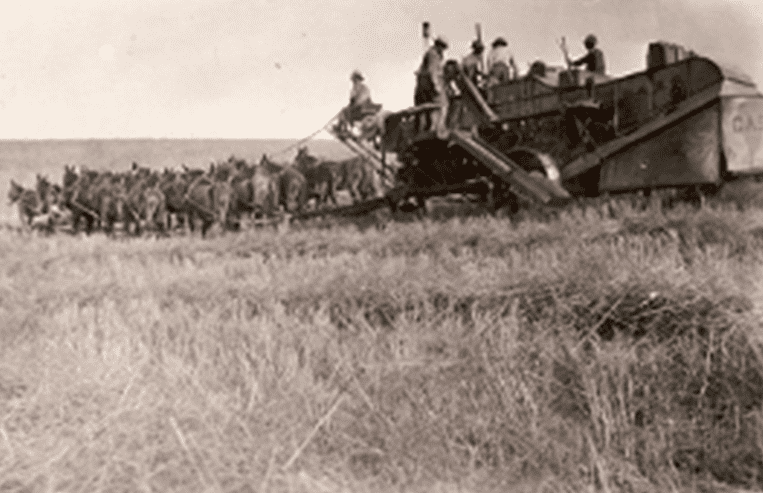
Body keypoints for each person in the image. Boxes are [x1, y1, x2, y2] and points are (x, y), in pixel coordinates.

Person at [414, 35, 449, 138]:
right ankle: (438, 128)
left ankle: (430, 127)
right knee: (443, 103)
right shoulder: (433, 55)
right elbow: (432, 71)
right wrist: (437, 86)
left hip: (423, 86)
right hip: (428, 86)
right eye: (442, 47)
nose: (443, 50)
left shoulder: (432, 54)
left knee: (427, 108)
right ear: (439, 46)